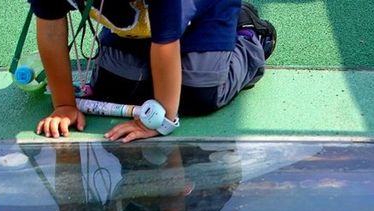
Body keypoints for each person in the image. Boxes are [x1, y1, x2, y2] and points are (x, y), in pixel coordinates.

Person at [29, 0, 277, 141]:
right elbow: (50, 31)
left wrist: (159, 120)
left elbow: (165, 44)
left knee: (198, 95)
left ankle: (248, 34)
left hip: (204, 10)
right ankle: (129, 30)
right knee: (114, 87)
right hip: (135, 18)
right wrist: (64, 105)